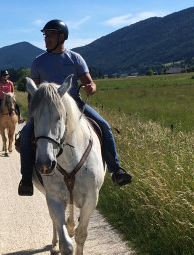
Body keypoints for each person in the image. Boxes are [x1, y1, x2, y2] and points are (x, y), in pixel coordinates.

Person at [18, 19, 132, 196]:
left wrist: (90, 88)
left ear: (62, 37)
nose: (46, 39)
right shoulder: (38, 62)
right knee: (25, 134)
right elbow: (34, 91)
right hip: (47, 109)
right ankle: (26, 179)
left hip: (75, 105)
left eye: (50, 35)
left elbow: (90, 83)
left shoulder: (75, 58)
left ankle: (116, 170)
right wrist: (33, 112)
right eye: (45, 35)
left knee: (104, 126)